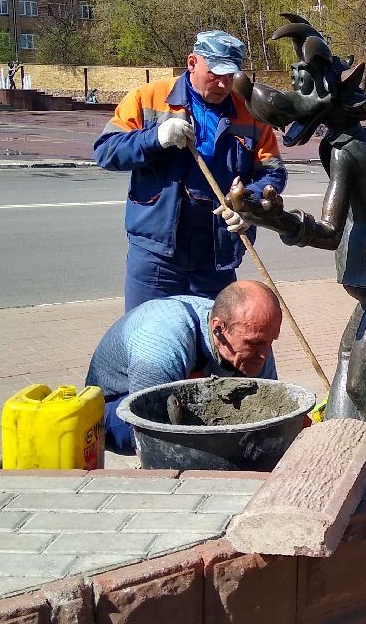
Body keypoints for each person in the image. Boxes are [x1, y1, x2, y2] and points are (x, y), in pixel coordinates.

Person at [94, 30, 287, 311]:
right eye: (215, 73)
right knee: (148, 339)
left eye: (230, 76)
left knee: (213, 344)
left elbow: (273, 173)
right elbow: (106, 151)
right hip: (157, 253)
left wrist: (249, 205)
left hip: (217, 253)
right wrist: (155, 138)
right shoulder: (149, 98)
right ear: (192, 63)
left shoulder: (251, 115)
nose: (223, 84)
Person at [85, 280, 283, 456]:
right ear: (219, 328)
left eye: (270, 342)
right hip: (112, 407)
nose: (264, 354)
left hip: (179, 382)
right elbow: (148, 437)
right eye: (253, 343)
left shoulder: (256, 335)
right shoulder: (163, 342)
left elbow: (273, 413)